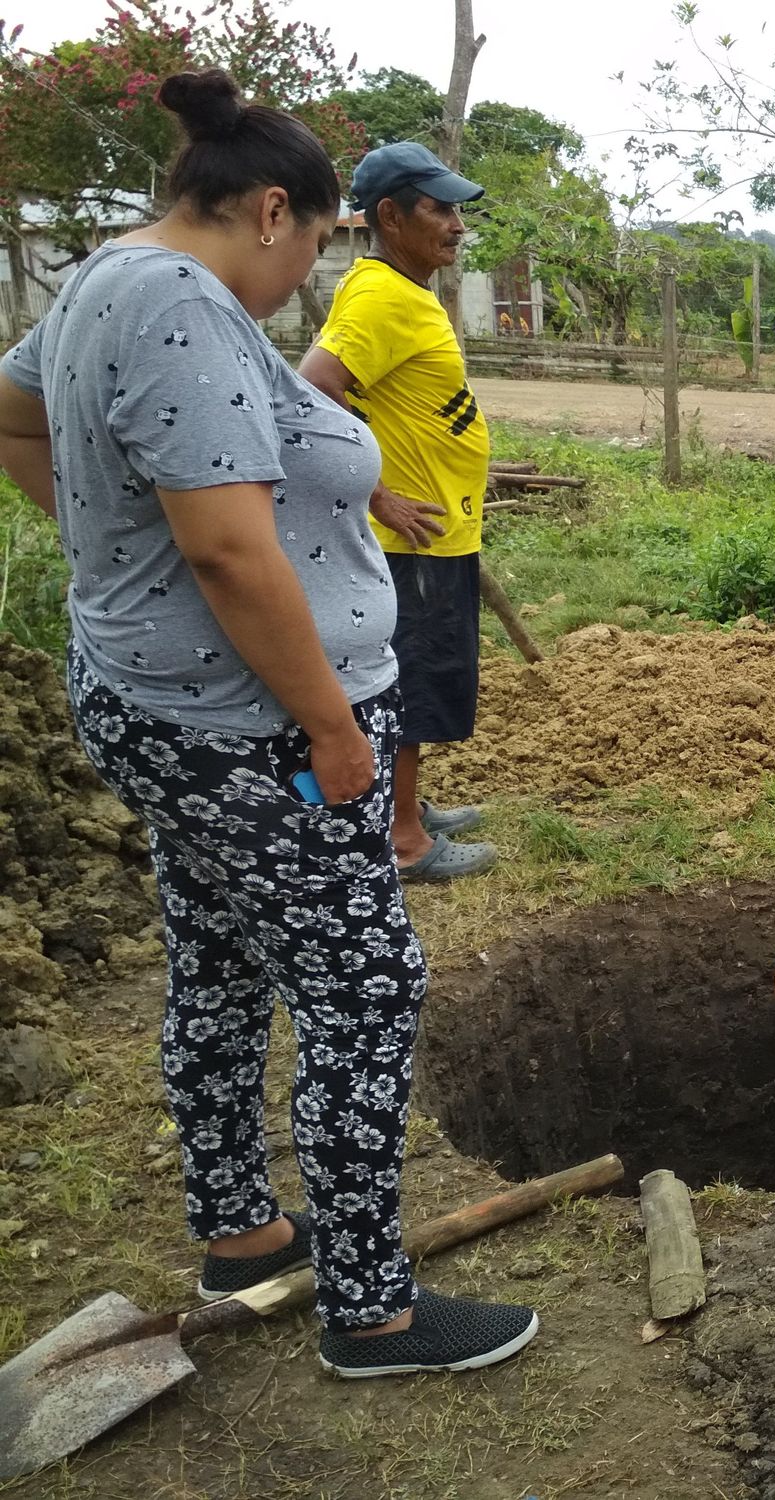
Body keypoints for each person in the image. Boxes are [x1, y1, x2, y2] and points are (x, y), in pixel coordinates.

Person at [0, 70, 534, 1375]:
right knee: (366, 987)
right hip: (250, 728)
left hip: (166, 703)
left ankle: (242, 1228)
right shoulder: (179, 303)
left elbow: (11, 411)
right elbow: (237, 558)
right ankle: (372, 1309)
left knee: (221, 956)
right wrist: (333, 732)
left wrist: (107, 552)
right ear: (273, 211)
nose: (306, 277)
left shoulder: (104, 279)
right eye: (311, 246)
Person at [300, 141, 496, 883]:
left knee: (423, 674)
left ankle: (404, 803)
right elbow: (315, 385)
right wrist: (374, 492)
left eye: (455, 210)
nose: (456, 224)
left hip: (437, 528)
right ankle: (405, 839)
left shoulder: (404, 290)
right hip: (408, 534)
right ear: (391, 214)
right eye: (439, 208)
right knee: (411, 678)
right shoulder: (382, 294)